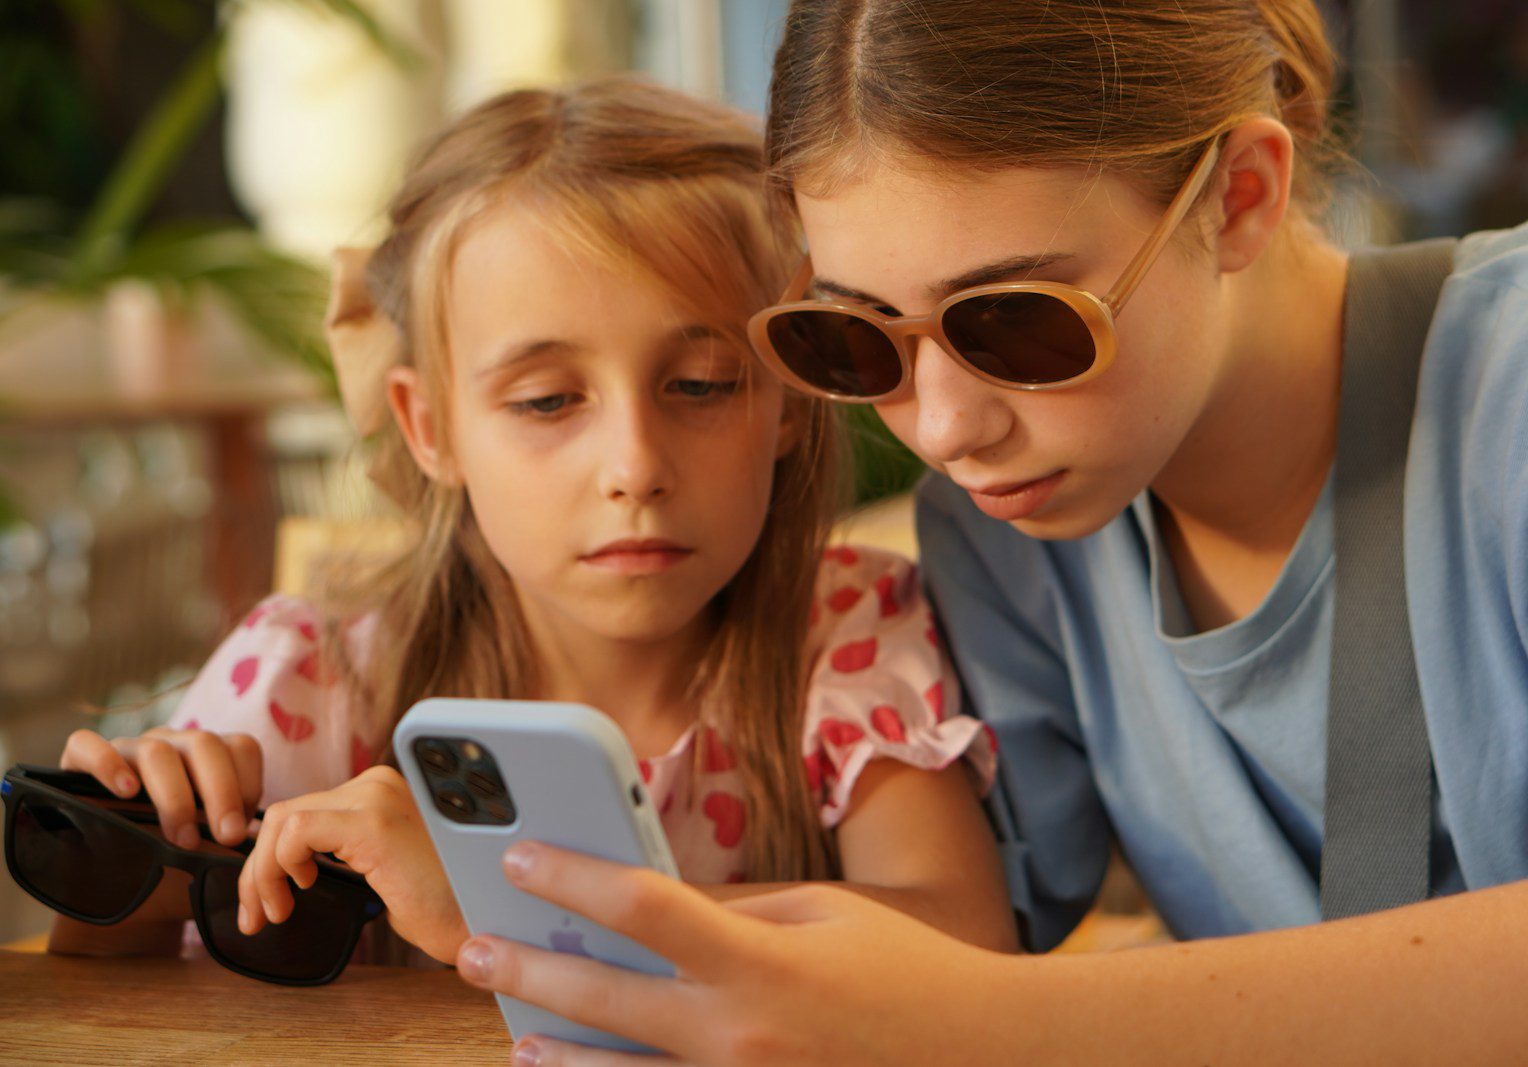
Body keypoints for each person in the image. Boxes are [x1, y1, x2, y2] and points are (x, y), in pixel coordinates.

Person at [456, 3, 1528, 1063]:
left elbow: (962, 995)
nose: (944, 428)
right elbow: (928, 949)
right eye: (859, 341)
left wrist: (997, 1021)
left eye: (1015, 320)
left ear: (1238, 196)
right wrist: (485, 892)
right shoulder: (1010, 539)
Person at [48, 77, 1016, 969]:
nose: (634, 466)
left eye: (701, 383)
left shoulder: (840, 634)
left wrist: (500, 905)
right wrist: (138, 861)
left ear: (789, 406)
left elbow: (961, 937)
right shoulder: (311, 680)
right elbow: (112, 997)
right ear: (430, 427)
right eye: (549, 400)